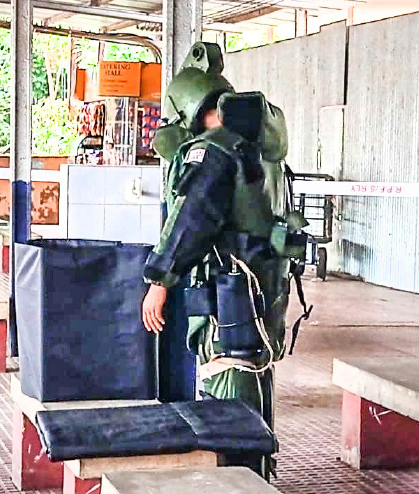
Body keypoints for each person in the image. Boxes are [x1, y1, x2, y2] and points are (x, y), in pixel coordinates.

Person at [141, 42, 300, 479]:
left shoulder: (213, 150)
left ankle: (237, 479)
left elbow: (191, 220)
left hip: (228, 298)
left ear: (189, 110)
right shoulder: (260, 149)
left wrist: (159, 281)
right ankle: (258, 474)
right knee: (254, 377)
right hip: (263, 293)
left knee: (226, 382)